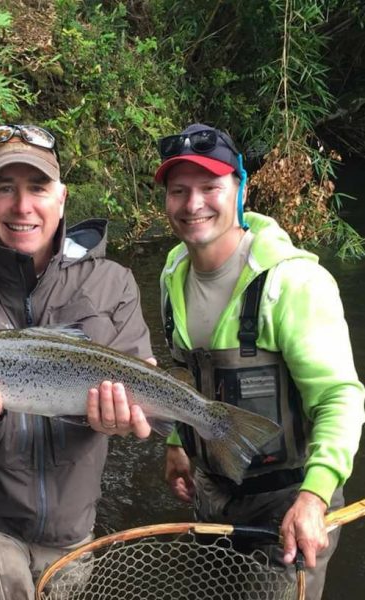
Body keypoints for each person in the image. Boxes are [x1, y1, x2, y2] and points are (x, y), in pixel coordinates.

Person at [0, 124, 154, 599]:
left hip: (70, 528)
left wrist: (127, 421)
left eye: (37, 188)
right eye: (4, 189)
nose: (22, 207)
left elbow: (141, 392)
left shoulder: (114, 283)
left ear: (61, 199)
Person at [156, 123, 364, 599]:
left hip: (288, 507)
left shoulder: (293, 284)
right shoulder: (172, 271)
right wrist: (175, 442)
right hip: (212, 498)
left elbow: (340, 398)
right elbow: (182, 372)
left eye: (210, 188)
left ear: (239, 190)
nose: (193, 205)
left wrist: (314, 497)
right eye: (179, 191)